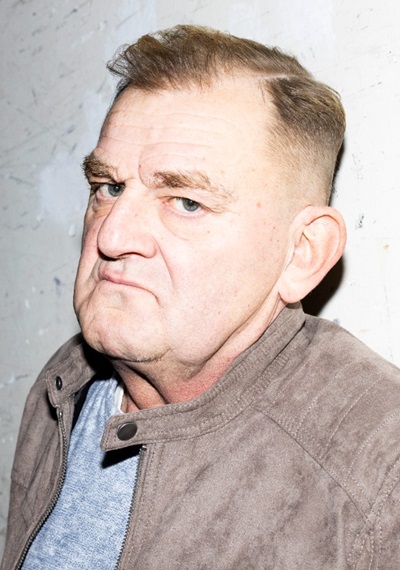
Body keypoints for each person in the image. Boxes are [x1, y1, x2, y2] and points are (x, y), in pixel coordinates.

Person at [2, 24, 400, 570]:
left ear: (302, 254)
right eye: (109, 188)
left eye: (186, 202)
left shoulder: (379, 469)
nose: (112, 236)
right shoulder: (64, 387)